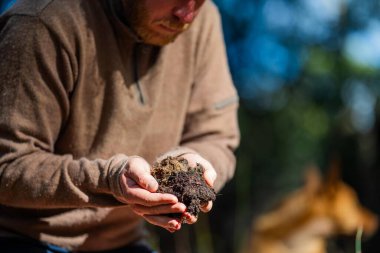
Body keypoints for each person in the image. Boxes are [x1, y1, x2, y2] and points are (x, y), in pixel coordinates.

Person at [0, 0, 240, 252]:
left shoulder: (202, 22)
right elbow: (8, 162)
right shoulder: (41, 23)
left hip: (124, 242)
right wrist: (109, 180)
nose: (187, 14)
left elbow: (216, 136)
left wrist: (193, 162)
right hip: (24, 238)